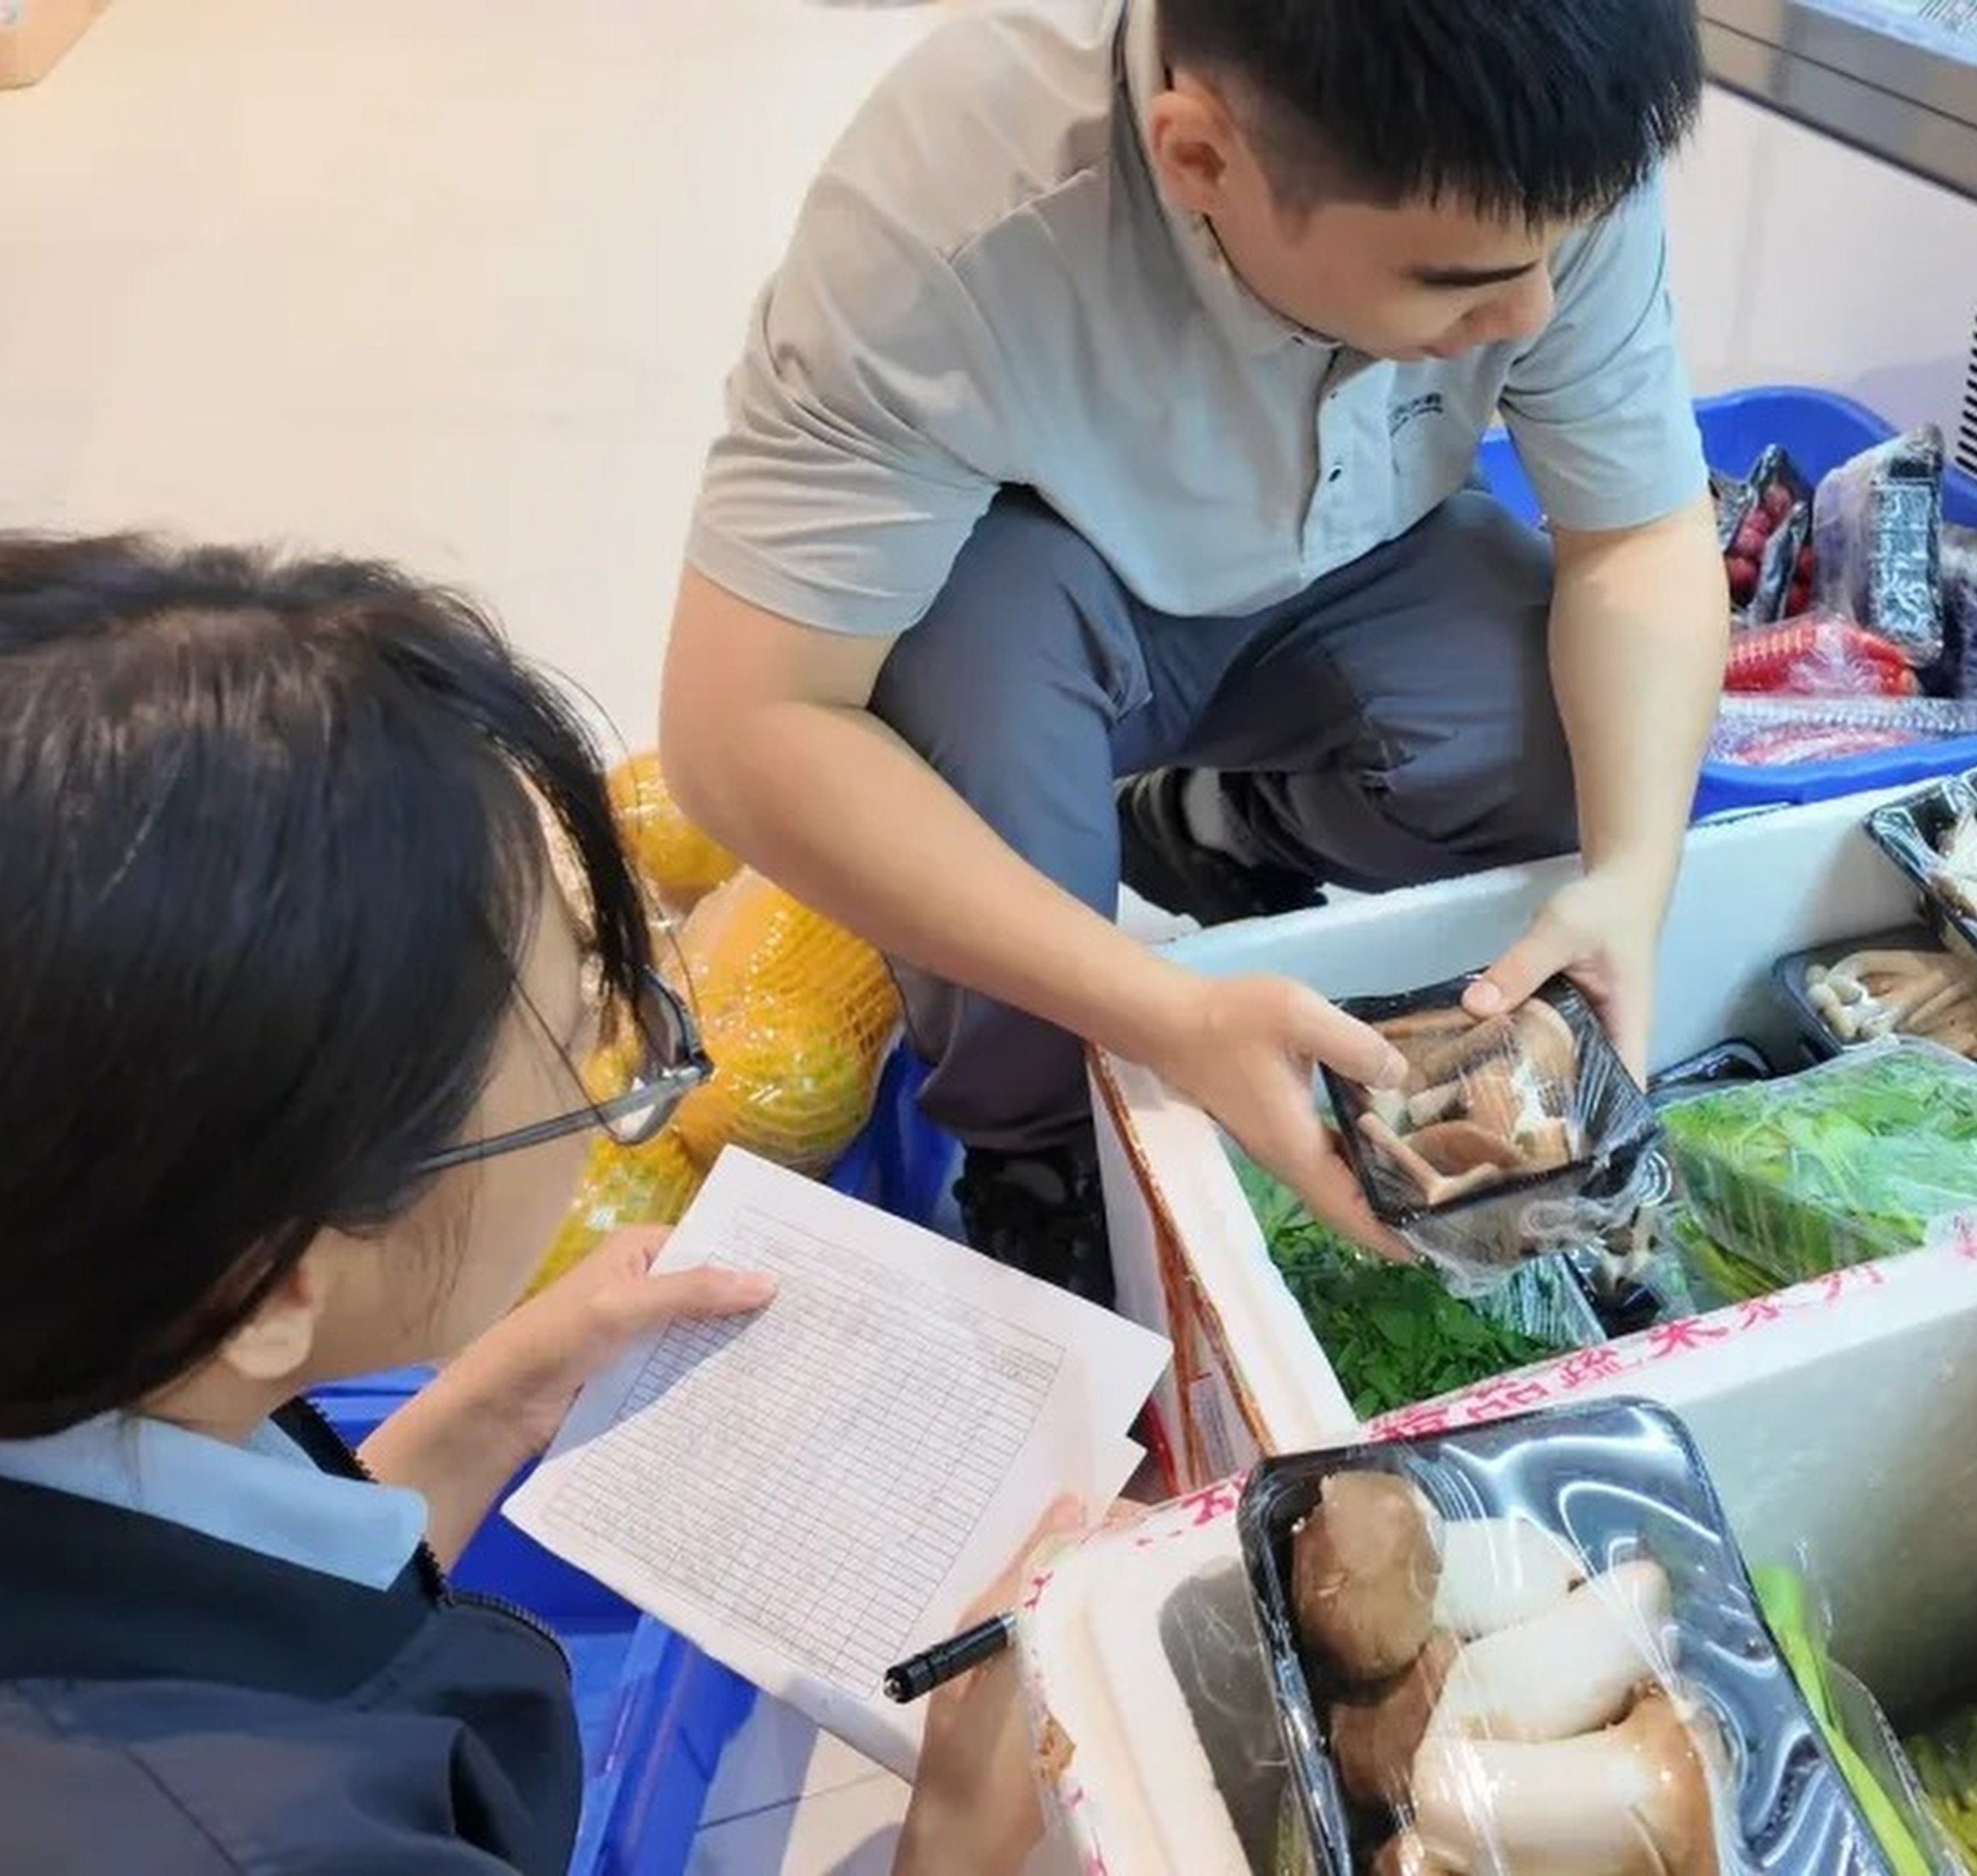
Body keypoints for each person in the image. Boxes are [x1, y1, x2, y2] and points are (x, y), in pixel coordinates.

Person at [0, 534, 1055, 1874]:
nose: (618, 1068)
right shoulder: (272, 1837)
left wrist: (472, 1418)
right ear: (266, 1288)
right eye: (582, 1046)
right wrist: (954, 1837)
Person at [658, 0, 1726, 1300]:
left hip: (1350, 554)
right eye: (1458, 281)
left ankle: (1217, 828)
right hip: (1035, 592)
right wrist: (1160, 1014)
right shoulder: (945, 224)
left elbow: (1639, 543)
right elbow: (744, 727)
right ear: (1201, 158)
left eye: (1563, 251)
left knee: (1573, 741)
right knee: (980, 802)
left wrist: (1633, 874)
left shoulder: (1533, 145)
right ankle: (1037, 1154)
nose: (1532, 311)